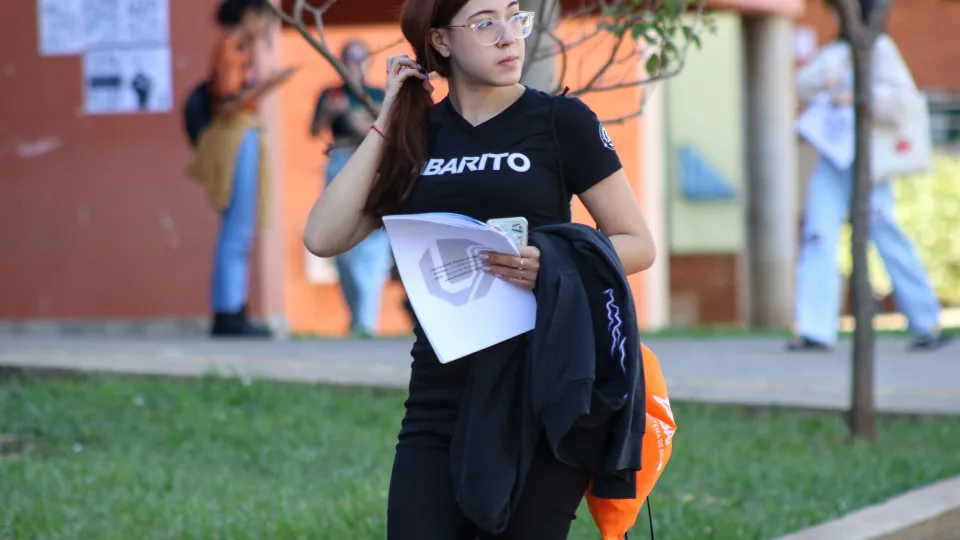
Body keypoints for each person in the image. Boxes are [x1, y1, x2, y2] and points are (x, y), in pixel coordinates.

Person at [303, 0, 656, 537]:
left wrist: (553, 263)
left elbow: (637, 243)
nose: (508, 36)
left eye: (515, 17)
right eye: (484, 22)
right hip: (437, 400)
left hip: (539, 392)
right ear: (440, 41)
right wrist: (387, 120)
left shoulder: (562, 121)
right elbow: (323, 237)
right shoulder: (416, 136)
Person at [788, 0, 950, 352]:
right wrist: (829, 84)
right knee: (818, 235)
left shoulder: (881, 49)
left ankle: (926, 322)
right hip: (834, 159)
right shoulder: (836, 51)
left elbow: (902, 103)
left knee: (887, 234)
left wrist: (860, 96)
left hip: (869, 164)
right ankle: (816, 329)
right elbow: (803, 83)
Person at [189, 0, 297, 338]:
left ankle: (232, 308)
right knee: (236, 230)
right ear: (250, 16)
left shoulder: (237, 47)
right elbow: (227, 103)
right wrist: (269, 84)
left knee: (238, 229)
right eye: (264, 19)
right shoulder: (231, 48)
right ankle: (229, 312)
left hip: (241, 136)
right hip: (236, 136)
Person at [310, 41, 394, 338]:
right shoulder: (330, 93)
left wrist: (362, 124)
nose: (354, 64)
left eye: (360, 58)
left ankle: (366, 321)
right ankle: (358, 317)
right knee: (340, 238)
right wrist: (330, 113)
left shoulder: (377, 94)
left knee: (373, 240)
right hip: (341, 159)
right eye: (349, 59)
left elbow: (388, 131)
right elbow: (314, 130)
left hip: (371, 163)